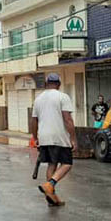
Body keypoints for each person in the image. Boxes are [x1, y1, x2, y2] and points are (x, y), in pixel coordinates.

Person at [30, 73, 77, 207]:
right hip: (59, 136)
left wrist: (35, 137)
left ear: (46, 84)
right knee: (67, 163)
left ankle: (51, 196)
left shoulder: (38, 99)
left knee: (52, 164)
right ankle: (50, 185)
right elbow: (67, 119)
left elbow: (34, 121)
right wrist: (73, 139)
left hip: (44, 137)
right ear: (59, 84)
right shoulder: (63, 97)